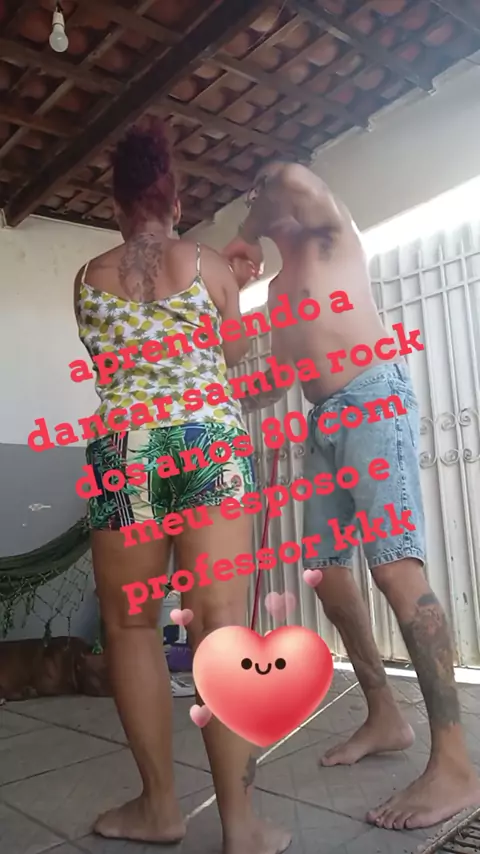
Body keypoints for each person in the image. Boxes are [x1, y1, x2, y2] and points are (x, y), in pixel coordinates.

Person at [223, 160, 480, 831]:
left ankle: (455, 763)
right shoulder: (279, 291)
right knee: (327, 576)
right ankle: (385, 715)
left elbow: (289, 177)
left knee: (394, 567)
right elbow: (274, 383)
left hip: (372, 397)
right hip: (324, 421)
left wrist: (244, 228)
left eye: (258, 194)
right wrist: (213, 378)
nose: (261, 200)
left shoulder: (330, 232)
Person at [73, 120, 290, 854]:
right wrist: (237, 290)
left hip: (124, 449)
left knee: (132, 627)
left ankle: (159, 808)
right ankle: (241, 826)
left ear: (116, 205)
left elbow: (112, 365)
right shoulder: (209, 266)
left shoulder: (89, 278)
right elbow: (239, 368)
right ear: (175, 199)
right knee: (220, 625)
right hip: (207, 443)